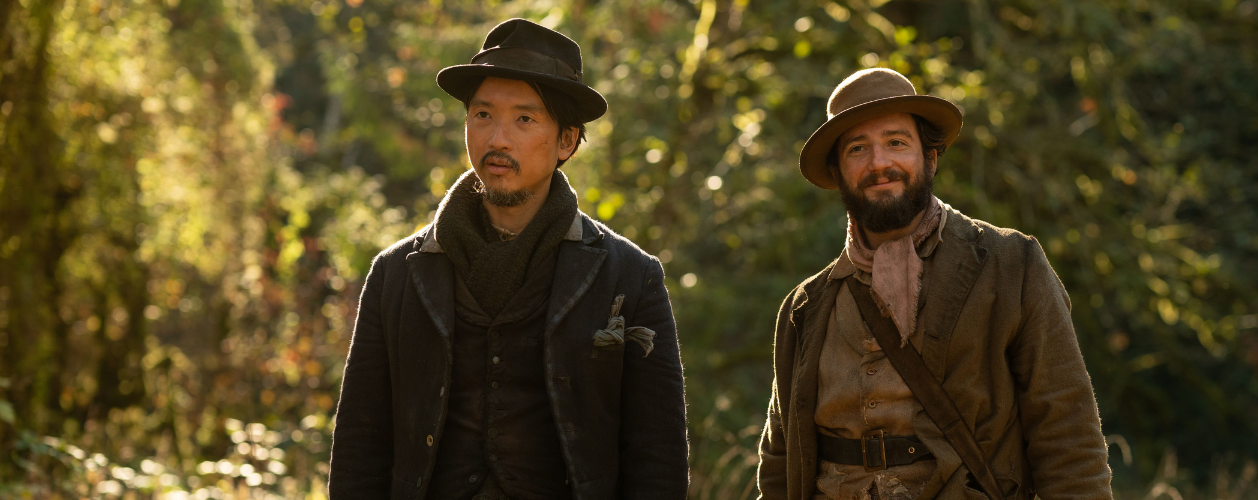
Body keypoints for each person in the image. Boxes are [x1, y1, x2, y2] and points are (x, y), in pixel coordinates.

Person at [328, 18, 688, 500]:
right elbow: (359, 450)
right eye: (482, 116)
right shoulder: (397, 272)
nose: (498, 139)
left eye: (524, 119)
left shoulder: (630, 276)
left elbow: (658, 460)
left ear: (566, 141)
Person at [756, 68, 1112, 500]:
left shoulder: (1011, 265)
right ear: (838, 172)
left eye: (896, 143)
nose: (879, 163)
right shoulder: (805, 306)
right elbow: (779, 462)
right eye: (857, 149)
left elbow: (1068, 434)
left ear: (930, 157)